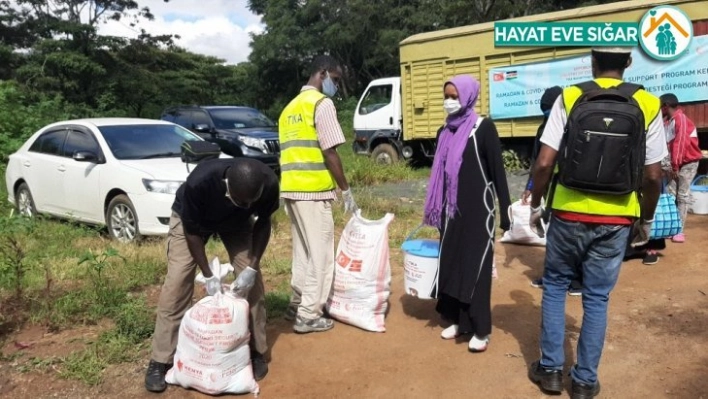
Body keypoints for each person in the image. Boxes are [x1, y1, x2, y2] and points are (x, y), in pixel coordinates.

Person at [527, 47, 665, 398]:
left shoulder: (571, 97)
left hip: (568, 210)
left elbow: (544, 163)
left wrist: (537, 203)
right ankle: (585, 381)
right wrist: (645, 218)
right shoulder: (647, 104)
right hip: (618, 217)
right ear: (629, 64)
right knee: (597, 298)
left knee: (556, 285)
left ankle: (551, 371)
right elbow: (652, 176)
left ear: (592, 62)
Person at [144, 158, 279, 392]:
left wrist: (252, 267)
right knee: (177, 281)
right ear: (227, 186)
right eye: (240, 201)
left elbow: (263, 222)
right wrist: (208, 274)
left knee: (253, 285)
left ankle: (256, 350)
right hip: (194, 222)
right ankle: (160, 358)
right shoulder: (200, 182)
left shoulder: (267, 183)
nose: (248, 207)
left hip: (236, 225)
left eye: (251, 203)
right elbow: (192, 231)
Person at [422, 74, 511, 353]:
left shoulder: (483, 128)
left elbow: (498, 173)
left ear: (468, 96)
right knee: (454, 265)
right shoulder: (444, 132)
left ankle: (481, 329)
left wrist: (507, 214)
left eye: (454, 96)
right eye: (446, 96)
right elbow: (440, 177)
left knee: (477, 269)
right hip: (451, 213)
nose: (449, 102)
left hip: (479, 213)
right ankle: (460, 322)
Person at [278, 55, 357, 334]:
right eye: (335, 80)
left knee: (303, 251)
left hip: (290, 189)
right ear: (322, 74)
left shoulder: (289, 108)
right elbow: (330, 150)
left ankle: (297, 301)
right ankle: (309, 314)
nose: (335, 86)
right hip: (312, 191)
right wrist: (345, 190)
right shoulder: (321, 105)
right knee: (321, 254)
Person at [523, 86, 582, 295]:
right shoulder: (542, 129)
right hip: (550, 191)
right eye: (544, 112)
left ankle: (576, 280)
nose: (548, 116)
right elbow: (538, 161)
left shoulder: (576, 125)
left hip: (571, 190)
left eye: (550, 111)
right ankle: (553, 276)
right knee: (554, 236)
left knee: (572, 237)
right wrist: (530, 187)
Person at [660, 93, 702, 243]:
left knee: (682, 195)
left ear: (666, 106)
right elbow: (667, 146)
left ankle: (679, 230)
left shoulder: (680, 119)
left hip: (687, 164)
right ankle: (670, 227)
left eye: (661, 106)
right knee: (670, 194)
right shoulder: (668, 122)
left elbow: (680, 144)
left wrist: (675, 166)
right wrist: (670, 166)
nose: (660, 110)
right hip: (675, 164)